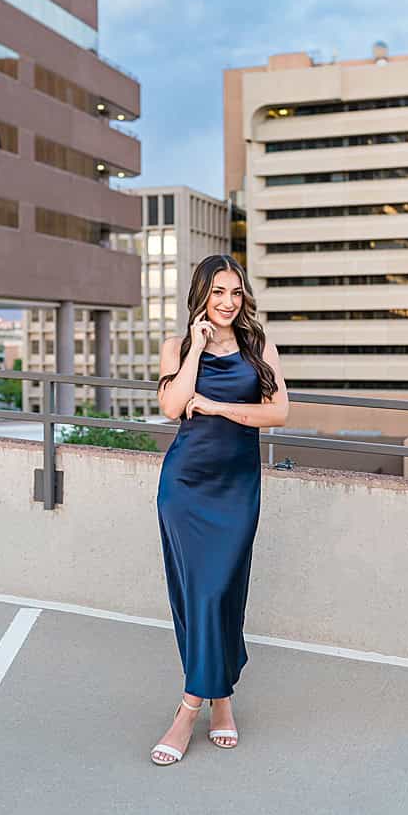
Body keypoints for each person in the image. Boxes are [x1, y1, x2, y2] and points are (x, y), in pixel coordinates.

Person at [149, 254, 289, 766]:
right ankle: (202, 706)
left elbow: (278, 411)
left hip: (237, 486)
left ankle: (214, 697)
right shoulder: (177, 348)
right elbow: (171, 406)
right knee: (197, 596)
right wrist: (197, 349)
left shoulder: (259, 347)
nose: (228, 302)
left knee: (224, 592)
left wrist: (218, 407)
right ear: (202, 296)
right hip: (185, 487)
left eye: (235, 292)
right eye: (218, 293)